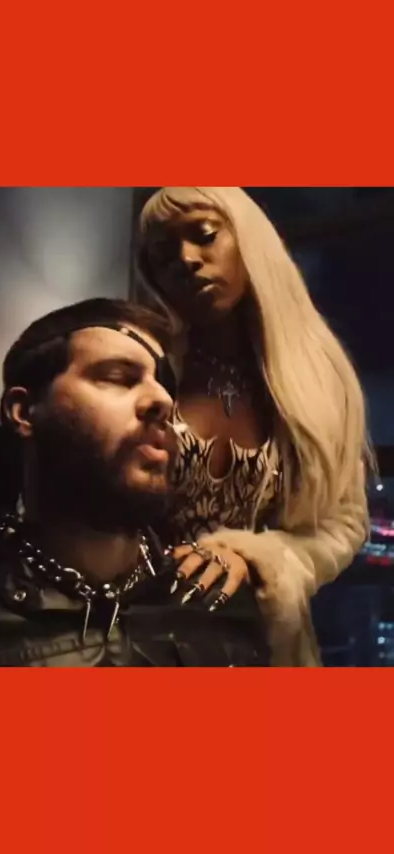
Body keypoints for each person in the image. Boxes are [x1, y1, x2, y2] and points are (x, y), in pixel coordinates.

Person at [0, 298, 269, 667]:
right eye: (118, 377)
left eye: (163, 384)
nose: (163, 400)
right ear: (24, 412)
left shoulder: (218, 603)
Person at [134, 187, 373, 666]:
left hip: (261, 645)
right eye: (163, 254)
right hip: (133, 635)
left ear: (248, 239)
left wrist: (258, 557)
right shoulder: (145, 366)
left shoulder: (315, 381)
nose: (186, 260)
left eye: (205, 235)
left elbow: (344, 524)